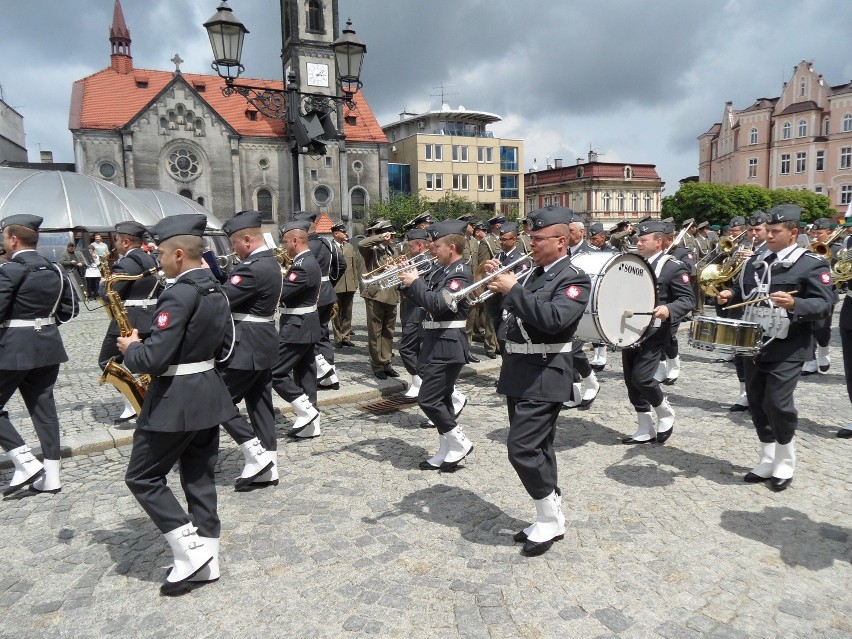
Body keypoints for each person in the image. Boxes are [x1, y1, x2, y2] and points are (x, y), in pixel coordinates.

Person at [117, 214, 236, 595]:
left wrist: (132, 348)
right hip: (208, 391)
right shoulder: (216, 289)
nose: (158, 261)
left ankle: (192, 550)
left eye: (162, 254)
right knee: (199, 478)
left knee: (142, 476)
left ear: (179, 254)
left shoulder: (178, 293)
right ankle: (208, 560)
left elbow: (151, 360)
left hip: (175, 399)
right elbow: (224, 346)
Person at [485, 206, 590, 556]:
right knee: (540, 446)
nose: (531, 242)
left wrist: (513, 288)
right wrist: (496, 286)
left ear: (561, 242)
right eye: (531, 237)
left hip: (547, 370)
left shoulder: (574, 278)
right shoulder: (530, 274)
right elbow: (504, 316)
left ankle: (550, 514)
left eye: (538, 238)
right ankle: (550, 515)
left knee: (522, 448)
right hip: (519, 369)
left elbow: (554, 319)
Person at [717, 204, 834, 490]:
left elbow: (826, 304)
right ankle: (767, 457)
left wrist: (796, 303)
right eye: (766, 230)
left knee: (778, 404)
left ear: (793, 233)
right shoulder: (756, 258)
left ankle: (785, 457)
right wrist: (729, 293)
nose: (767, 236)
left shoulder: (810, 263)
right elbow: (745, 289)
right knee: (756, 402)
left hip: (788, 344)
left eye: (774, 231)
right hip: (753, 342)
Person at [0, 214, 78, 496]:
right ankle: (52, 477)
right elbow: (70, 311)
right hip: (48, 345)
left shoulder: (9, 269)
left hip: (13, 348)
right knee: (44, 410)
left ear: (13, 239)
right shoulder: (56, 269)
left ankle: (26, 462)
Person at [398, 220, 474, 471]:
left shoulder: (459, 273)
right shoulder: (442, 270)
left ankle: (459, 442)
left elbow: (438, 305)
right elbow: (423, 297)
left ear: (451, 247)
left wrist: (416, 282)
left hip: (447, 344)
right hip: (434, 341)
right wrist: (407, 281)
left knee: (428, 399)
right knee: (440, 399)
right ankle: (446, 449)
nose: (432, 248)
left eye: (437, 245)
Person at [218, 210, 281, 490]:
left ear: (246, 239)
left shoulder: (252, 267)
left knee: (216, 401)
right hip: (262, 341)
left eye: (233, 243)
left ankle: (257, 456)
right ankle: (269, 465)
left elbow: (221, 300)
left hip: (247, 346)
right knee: (260, 406)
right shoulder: (268, 261)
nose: (232, 249)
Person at [621, 221, 694, 446]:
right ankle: (645, 428)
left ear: (659, 242)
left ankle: (664, 411)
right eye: (638, 240)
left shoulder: (673, 266)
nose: (638, 243)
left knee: (642, 378)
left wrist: (668, 309)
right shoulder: (635, 263)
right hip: (631, 327)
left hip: (655, 331)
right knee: (631, 382)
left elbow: (688, 300)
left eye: (643, 240)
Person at [97, 221, 161, 423]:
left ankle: (133, 401)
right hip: (150, 316)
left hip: (129, 319)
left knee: (107, 362)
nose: (115, 244)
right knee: (144, 363)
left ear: (125, 241)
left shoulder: (125, 263)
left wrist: (102, 284)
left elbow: (109, 293)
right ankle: (148, 399)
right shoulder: (152, 259)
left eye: (116, 239)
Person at [271, 221, 323, 438]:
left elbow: (281, 293)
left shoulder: (303, 265)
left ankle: (306, 410)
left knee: (274, 372)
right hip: (305, 324)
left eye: (285, 241)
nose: (284, 246)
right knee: (305, 374)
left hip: (297, 326)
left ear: (295, 240)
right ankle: (311, 425)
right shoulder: (306, 261)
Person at [359, 220, 400, 379]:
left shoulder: (393, 251)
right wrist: (380, 237)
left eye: (392, 235)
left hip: (392, 295)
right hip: (376, 295)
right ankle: (377, 366)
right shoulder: (373, 251)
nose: (392, 238)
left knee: (388, 332)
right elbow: (362, 244)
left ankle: (387, 362)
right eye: (390, 235)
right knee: (375, 333)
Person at [801, 217, 840, 375]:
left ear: (829, 233)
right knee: (807, 327)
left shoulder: (837, 249)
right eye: (814, 233)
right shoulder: (807, 248)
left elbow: (840, 270)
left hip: (827, 293)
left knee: (822, 327)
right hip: (807, 293)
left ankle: (823, 351)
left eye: (820, 233)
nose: (815, 236)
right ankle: (810, 360)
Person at [476, 215, 506, 358]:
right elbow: (482, 265)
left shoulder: (505, 238)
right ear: (498, 226)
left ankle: (499, 344)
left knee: (501, 315)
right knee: (490, 316)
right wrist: (482, 286)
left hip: (504, 282)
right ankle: (490, 346)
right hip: (491, 282)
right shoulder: (486, 241)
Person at [331, 222, 358, 348]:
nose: (346, 234)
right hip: (336, 285)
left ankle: (346, 337)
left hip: (349, 284)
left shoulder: (350, 247)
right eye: (344, 232)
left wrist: (355, 282)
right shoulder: (330, 247)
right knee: (336, 312)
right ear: (336, 233)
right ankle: (338, 338)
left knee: (347, 312)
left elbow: (354, 266)